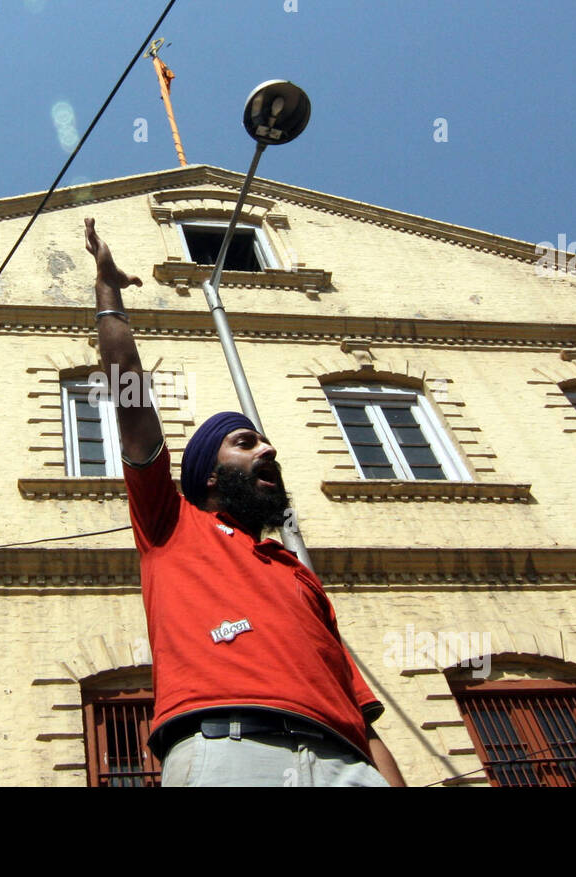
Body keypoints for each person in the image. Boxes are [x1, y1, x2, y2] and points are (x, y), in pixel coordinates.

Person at [85, 217, 406, 787]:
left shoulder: (298, 574)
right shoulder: (170, 524)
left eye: (265, 440)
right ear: (207, 475)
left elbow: (360, 712)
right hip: (230, 751)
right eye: (245, 442)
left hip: (347, 763)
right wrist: (108, 292)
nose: (269, 448)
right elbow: (129, 395)